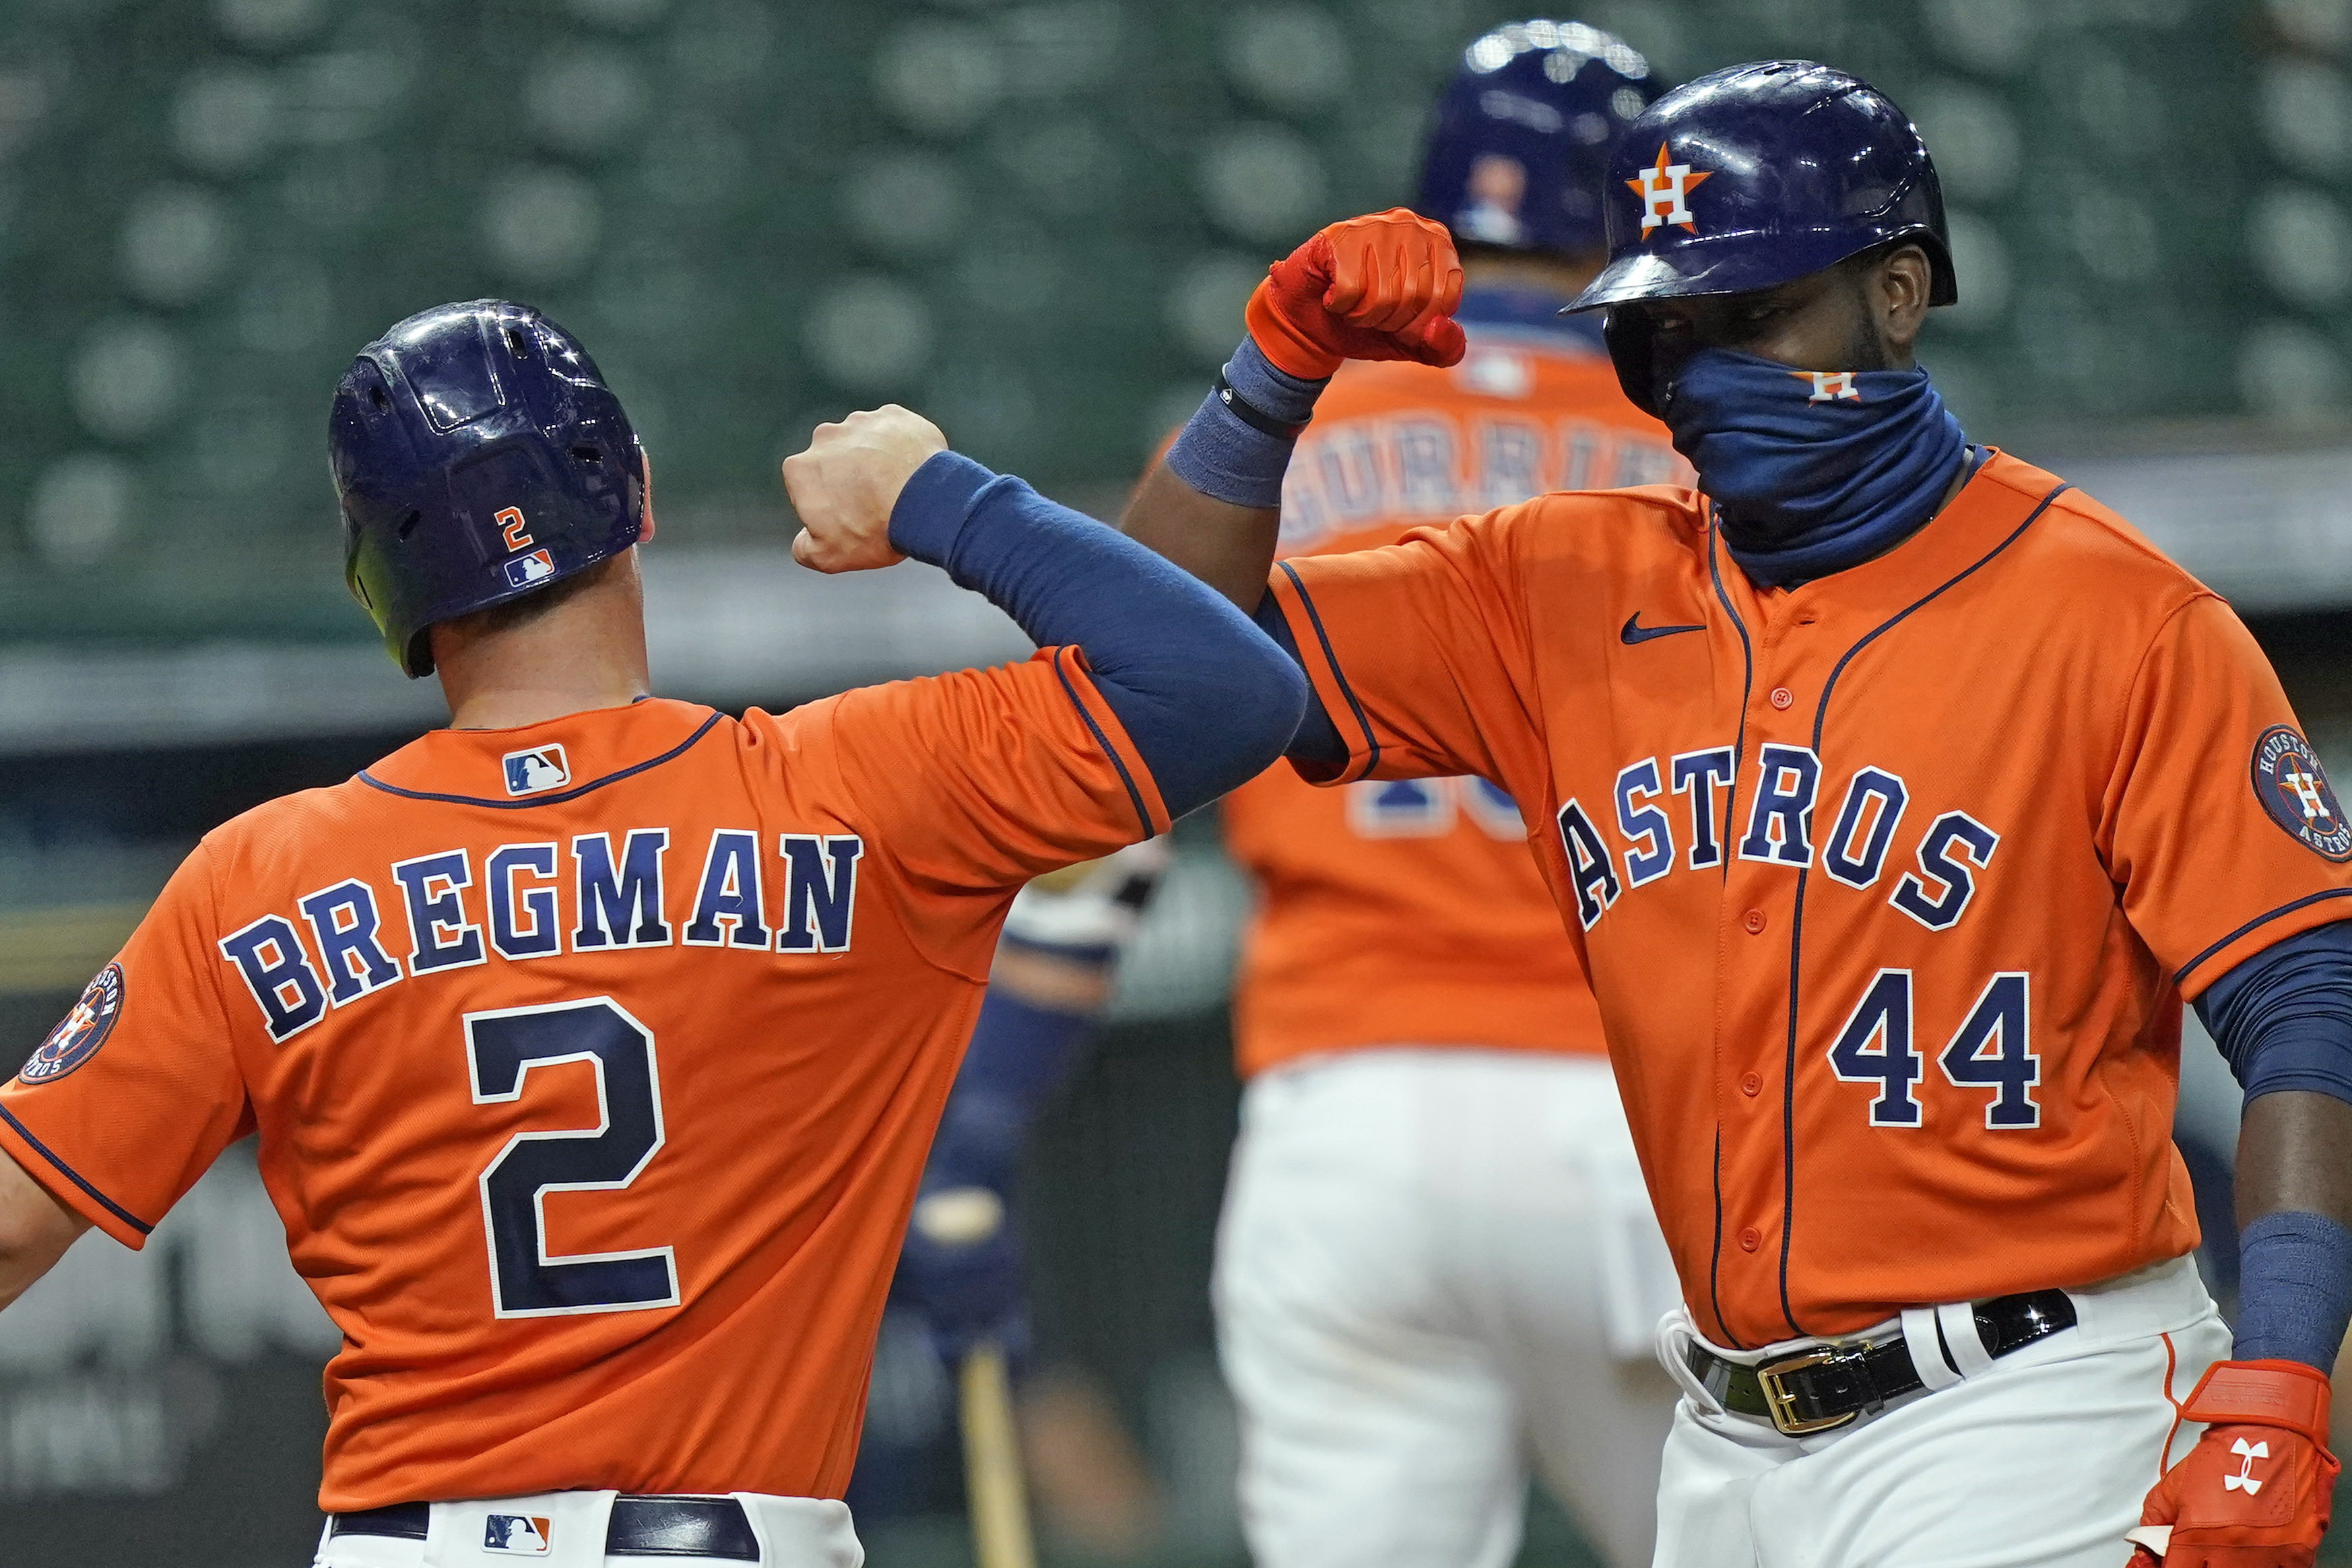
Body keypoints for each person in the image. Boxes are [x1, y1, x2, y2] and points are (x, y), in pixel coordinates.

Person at [1120, 60, 2352, 1568]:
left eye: (1752, 316)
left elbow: (2306, 993)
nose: (1699, 377)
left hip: (2029, 1414)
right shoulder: (1551, 584)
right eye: (1662, 336)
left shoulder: (2119, 618)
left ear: (1898, 295)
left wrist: (2282, 1371)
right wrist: (1272, 376)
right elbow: (1155, 665)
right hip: (1719, 1453)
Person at [0, 299, 1307, 1567]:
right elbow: (1231, 688)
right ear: (634, 492)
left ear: (377, 575)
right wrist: (936, 497)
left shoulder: (260, 876)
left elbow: (13, 1224)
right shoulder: (850, 790)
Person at [890, 23, 1689, 1567]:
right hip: (1637, 1114)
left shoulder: (1256, 464)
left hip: (1347, 1122)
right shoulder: (1695, 449)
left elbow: (1110, 790)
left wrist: (986, 1114)